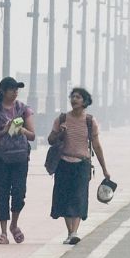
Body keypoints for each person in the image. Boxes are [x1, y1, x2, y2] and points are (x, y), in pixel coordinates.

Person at [49, 87, 111, 245]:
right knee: (64, 198)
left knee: (78, 198)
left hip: (82, 164)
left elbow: (96, 146)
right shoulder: (62, 119)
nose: (74, 100)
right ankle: (70, 232)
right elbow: (50, 140)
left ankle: (74, 232)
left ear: (85, 101)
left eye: (78, 97)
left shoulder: (90, 121)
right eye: (72, 97)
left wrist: (104, 168)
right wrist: (59, 133)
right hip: (63, 163)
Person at [0, 77, 35, 244]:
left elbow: (33, 135)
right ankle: (3, 231)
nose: (15, 92)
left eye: (16, 89)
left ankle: (14, 224)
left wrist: (21, 130)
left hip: (20, 157)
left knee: (19, 192)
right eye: (12, 89)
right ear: (3, 91)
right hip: (0, 158)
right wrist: (4, 131)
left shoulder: (23, 110)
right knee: (1, 192)